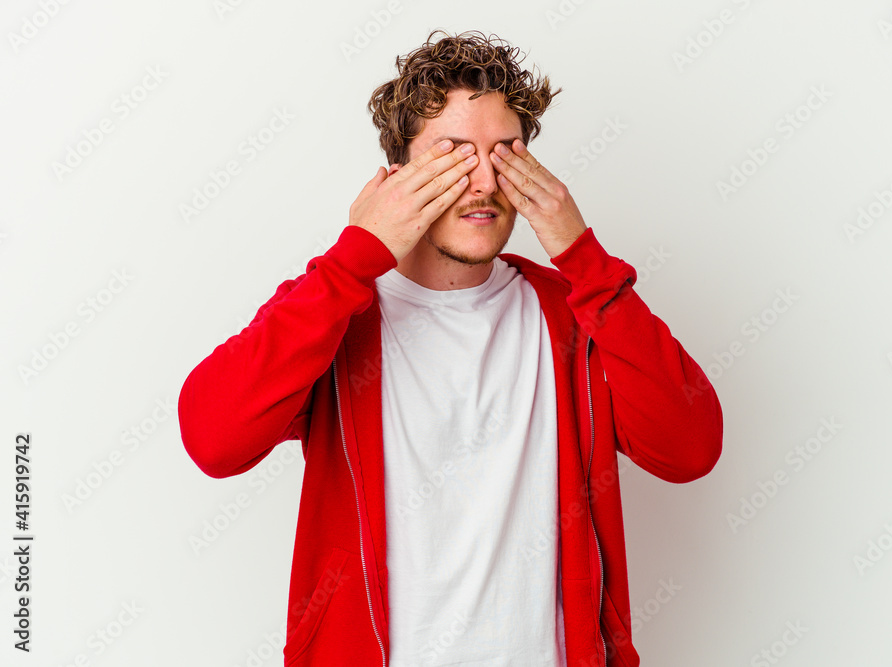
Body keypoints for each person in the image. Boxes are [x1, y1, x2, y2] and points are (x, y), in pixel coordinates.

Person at [178, 28, 723, 667]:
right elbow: (214, 440)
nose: (484, 181)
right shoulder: (333, 312)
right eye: (455, 156)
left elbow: (690, 449)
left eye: (506, 154)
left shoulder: (572, 315)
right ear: (397, 178)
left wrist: (585, 260)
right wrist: (354, 258)